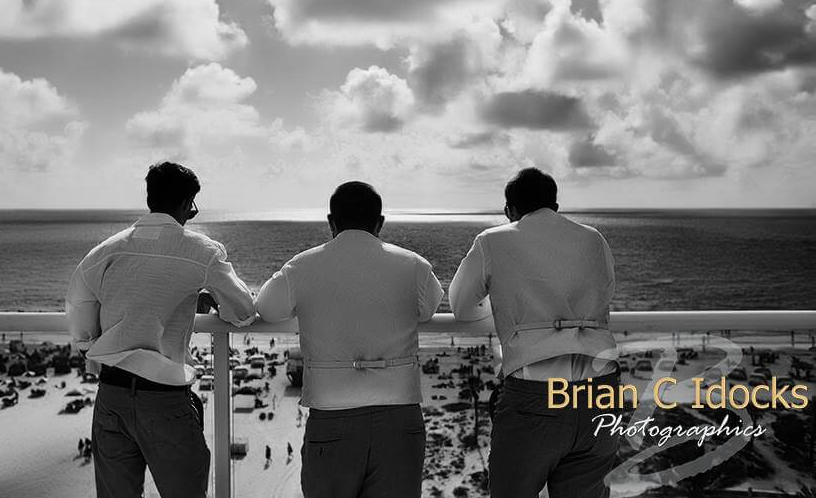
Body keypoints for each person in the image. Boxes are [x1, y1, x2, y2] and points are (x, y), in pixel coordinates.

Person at [66, 162, 256, 498]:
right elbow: (243, 311)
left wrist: (90, 344)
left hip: (111, 395)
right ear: (186, 204)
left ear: (150, 199)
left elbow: (79, 308)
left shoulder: (106, 250)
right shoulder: (202, 251)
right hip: (163, 399)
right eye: (191, 209)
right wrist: (205, 298)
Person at [256, 181, 443, 498]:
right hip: (400, 416)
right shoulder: (413, 264)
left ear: (330, 221)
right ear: (380, 222)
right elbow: (429, 309)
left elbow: (267, 308)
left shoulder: (302, 266)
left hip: (332, 418)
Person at [449, 167, 620, 498]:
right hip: (601, 390)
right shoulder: (593, 238)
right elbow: (606, 293)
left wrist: (506, 313)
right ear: (555, 205)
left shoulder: (492, 241)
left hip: (535, 395)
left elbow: (462, 307)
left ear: (509, 210)